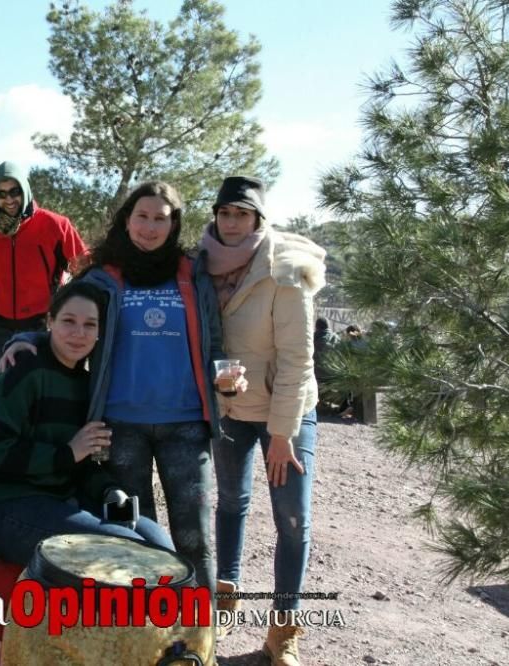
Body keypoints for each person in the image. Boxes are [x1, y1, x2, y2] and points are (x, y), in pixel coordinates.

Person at [0, 181, 233, 593]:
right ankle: (145, 633)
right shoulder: (104, 277)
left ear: (174, 224)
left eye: (161, 218)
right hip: (120, 427)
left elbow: (214, 340)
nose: (149, 226)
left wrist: (228, 382)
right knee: (135, 534)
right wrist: (25, 340)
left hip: (187, 423)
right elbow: (65, 318)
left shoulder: (192, 273)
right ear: (126, 220)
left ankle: (202, 636)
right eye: (141, 216)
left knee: (195, 538)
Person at [0, 280, 173, 565]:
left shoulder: (89, 386)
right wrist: (67, 453)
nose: (79, 334)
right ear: (50, 322)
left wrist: (109, 490)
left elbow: (86, 460)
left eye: (90, 325)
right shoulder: (22, 373)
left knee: (159, 543)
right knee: (133, 555)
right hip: (0, 502)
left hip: (56, 498)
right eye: (69, 321)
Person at [199, 176, 325, 666]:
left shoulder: (286, 272)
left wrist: (281, 434)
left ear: (258, 218)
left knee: (292, 519)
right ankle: (224, 605)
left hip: (285, 414)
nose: (232, 223)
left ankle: (282, 632)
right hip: (232, 407)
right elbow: (203, 341)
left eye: (242, 214)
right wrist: (218, 385)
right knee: (230, 503)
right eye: (225, 213)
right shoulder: (200, 265)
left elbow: (298, 360)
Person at [0, 161, 87, 456]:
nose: (9, 199)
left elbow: (84, 266)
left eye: (14, 191)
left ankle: (32, 464)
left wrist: (77, 309)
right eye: (1, 193)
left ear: (24, 190)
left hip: (41, 327)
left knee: (36, 401)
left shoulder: (55, 225)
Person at [313, 317, 339, 409]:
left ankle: (317, 401)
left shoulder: (313, 337)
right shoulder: (336, 337)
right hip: (334, 372)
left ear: (317, 327)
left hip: (316, 373)